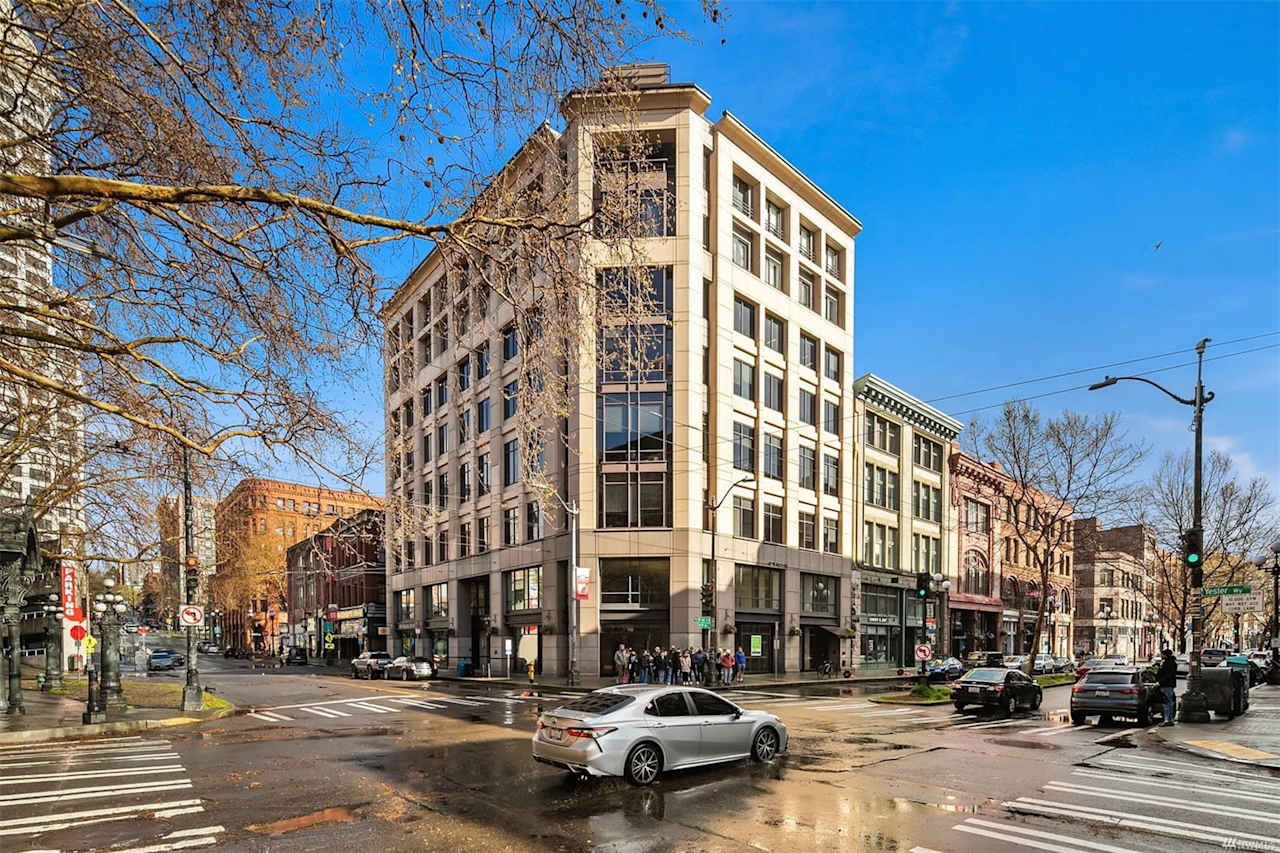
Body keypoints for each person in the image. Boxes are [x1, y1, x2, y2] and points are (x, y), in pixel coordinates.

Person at [1157, 647, 1178, 726]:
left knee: (1167, 703)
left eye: (1162, 654)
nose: (1161, 656)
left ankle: (1167, 720)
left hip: (1167, 685)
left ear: (1165, 655)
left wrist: (1159, 682)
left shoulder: (1169, 663)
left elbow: (1168, 675)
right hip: (1167, 685)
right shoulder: (1168, 662)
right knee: (1168, 702)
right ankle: (1169, 719)